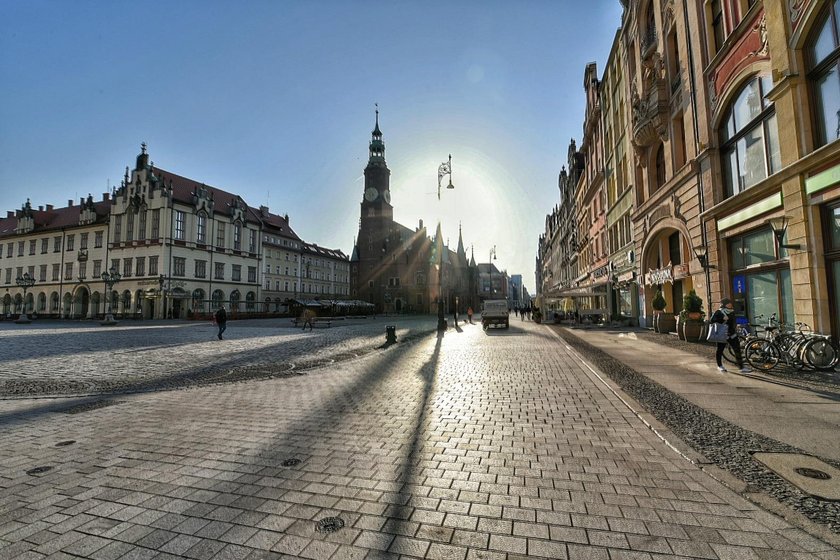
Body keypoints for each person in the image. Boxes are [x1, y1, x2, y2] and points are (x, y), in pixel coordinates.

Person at [710, 298, 750, 373]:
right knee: (720, 350)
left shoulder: (732, 311)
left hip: (732, 333)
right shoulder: (719, 312)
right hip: (722, 334)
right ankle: (720, 366)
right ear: (724, 304)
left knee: (737, 349)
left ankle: (741, 367)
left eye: (730, 303)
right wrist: (722, 319)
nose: (730, 304)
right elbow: (711, 321)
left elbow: (733, 321)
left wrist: (736, 326)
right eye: (728, 303)